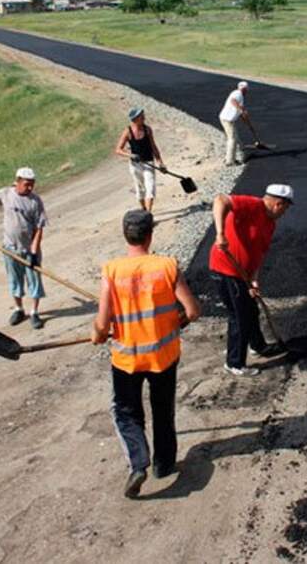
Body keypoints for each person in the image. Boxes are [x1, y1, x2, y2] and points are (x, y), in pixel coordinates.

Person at [92, 209, 201, 498]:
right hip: (163, 356)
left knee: (127, 413)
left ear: (125, 235)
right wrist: (176, 322)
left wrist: (98, 333)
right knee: (163, 411)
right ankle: (163, 465)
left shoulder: (112, 270)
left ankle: (138, 464)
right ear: (150, 234)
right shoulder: (166, 266)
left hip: (127, 360)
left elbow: (102, 324)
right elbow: (192, 310)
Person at [209, 184, 293, 376]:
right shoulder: (253, 205)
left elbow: (259, 253)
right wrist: (220, 233)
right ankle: (234, 363)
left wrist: (254, 280)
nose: (285, 213)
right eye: (285, 208)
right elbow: (220, 200)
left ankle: (258, 346)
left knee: (251, 310)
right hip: (226, 269)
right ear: (278, 204)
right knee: (240, 317)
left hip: (244, 275)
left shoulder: (270, 224)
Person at [0, 167, 48, 329]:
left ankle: (34, 313)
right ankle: (19, 309)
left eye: (32, 184)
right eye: (27, 184)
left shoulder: (35, 201)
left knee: (34, 281)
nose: (30, 188)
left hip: (29, 250)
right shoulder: (5, 193)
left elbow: (39, 228)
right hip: (10, 248)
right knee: (14, 279)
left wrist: (33, 252)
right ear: (17, 182)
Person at [115, 108, 165, 211]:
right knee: (140, 189)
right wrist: (131, 155)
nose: (144, 118)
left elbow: (153, 147)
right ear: (135, 119)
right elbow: (118, 150)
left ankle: (148, 213)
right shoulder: (127, 132)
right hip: (135, 165)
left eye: (143, 116)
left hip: (148, 163)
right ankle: (144, 210)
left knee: (150, 188)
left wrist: (160, 162)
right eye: (141, 116)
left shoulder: (147, 130)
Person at [218, 81, 249, 166]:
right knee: (232, 139)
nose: (247, 91)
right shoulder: (237, 93)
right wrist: (241, 110)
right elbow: (233, 101)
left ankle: (242, 155)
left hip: (229, 120)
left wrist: (245, 120)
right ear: (244, 89)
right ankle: (230, 161)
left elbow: (241, 110)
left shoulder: (241, 96)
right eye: (246, 89)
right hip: (226, 119)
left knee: (236, 138)